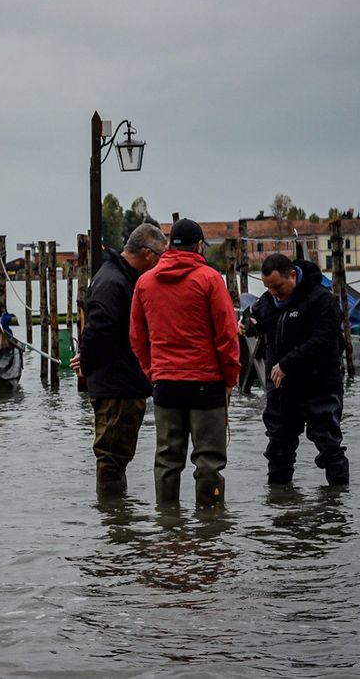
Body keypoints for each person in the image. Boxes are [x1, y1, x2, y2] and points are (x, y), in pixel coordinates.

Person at [129, 218, 241, 509]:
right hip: (206, 383)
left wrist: (153, 373)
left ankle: (168, 530)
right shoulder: (210, 279)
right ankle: (210, 531)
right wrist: (230, 379)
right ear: (200, 246)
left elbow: (137, 338)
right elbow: (227, 336)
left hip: (166, 384)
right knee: (209, 461)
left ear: (168, 247)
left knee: (167, 459)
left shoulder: (144, 283)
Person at [73, 223, 167, 498]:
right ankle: (115, 524)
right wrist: (87, 366)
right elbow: (97, 329)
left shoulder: (120, 277)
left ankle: (117, 523)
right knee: (112, 458)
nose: (162, 264)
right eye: (161, 257)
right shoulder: (113, 281)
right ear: (148, 254)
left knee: (116, 457)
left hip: (121, 381)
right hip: (116, 385)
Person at [245, 252, 349, 486]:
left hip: (319, 384)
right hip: (282, 389)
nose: (274, 293)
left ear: (292, 275)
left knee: (329, 447)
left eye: (278, 287)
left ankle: (337, 506)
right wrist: (249, 327)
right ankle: (280, 506)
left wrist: (287, 363)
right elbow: (258, 320)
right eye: (268, 287)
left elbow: (323, 339)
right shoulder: (269, 300)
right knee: (278, 449)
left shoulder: (321, 300)